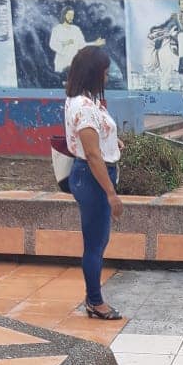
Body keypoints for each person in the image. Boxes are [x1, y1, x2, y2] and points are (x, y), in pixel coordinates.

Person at [65, 46, 124, 320]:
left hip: (91, 176)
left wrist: (112, 140)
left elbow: (94, 139)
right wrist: (111, 194)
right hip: (93, 179)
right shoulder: (84, 108)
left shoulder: (82, 99)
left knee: (98, 240)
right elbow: (92, 154)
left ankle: (93, 298)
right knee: (95, 244)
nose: (107, 77)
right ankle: (95, 302)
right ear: (94, 73)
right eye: (105, 72)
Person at [50, 7, 105, 75]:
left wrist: (94, 43)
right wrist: (65, 43)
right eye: (69, 15)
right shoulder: (57, 29)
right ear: (64, 15)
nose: (71, 17)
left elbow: (82, 45)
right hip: (62, 63)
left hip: (74, 63)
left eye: (72, 15)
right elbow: (52, 44)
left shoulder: (76, 29)